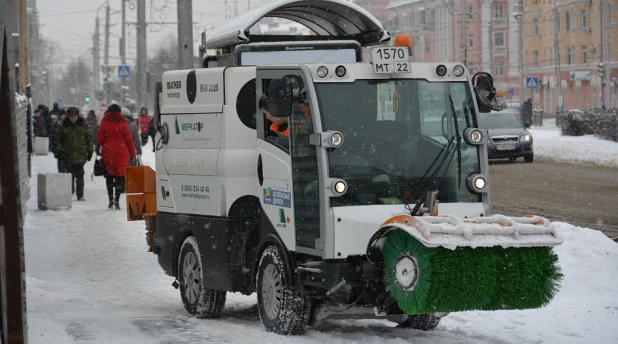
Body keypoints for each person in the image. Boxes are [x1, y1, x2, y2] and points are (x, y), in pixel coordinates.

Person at [97, 104, 136, 210]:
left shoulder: (104, 122)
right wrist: (132, 154)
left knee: (109, 176)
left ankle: (110, 200)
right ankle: (117, 201)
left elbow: (99, 139)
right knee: (119, 177)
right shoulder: (123, 123)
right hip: (121, 152)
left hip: (108, 152)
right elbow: (129, 140)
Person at [56, 107, 94, 201]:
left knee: (80, 175)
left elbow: (89, 138)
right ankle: (70, 192)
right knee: (70, 175)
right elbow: (59, 140)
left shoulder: (83, 124)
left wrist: (90, 150)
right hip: (68, 154)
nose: (73, 118)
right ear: (68, 116)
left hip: (80, 154)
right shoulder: (63, 125)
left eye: (74, 116)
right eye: (71, 116)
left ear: (77, 116)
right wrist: (59, 151)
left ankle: (80, 194)